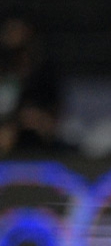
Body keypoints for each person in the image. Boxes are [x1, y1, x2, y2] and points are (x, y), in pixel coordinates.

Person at [0, 15, 71, 156]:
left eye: (17, 30)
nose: (11, 36)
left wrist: (34, 119)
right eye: (8, 31)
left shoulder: (44, 72)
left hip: (36, 137)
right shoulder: (4, 69)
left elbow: (54, 115)